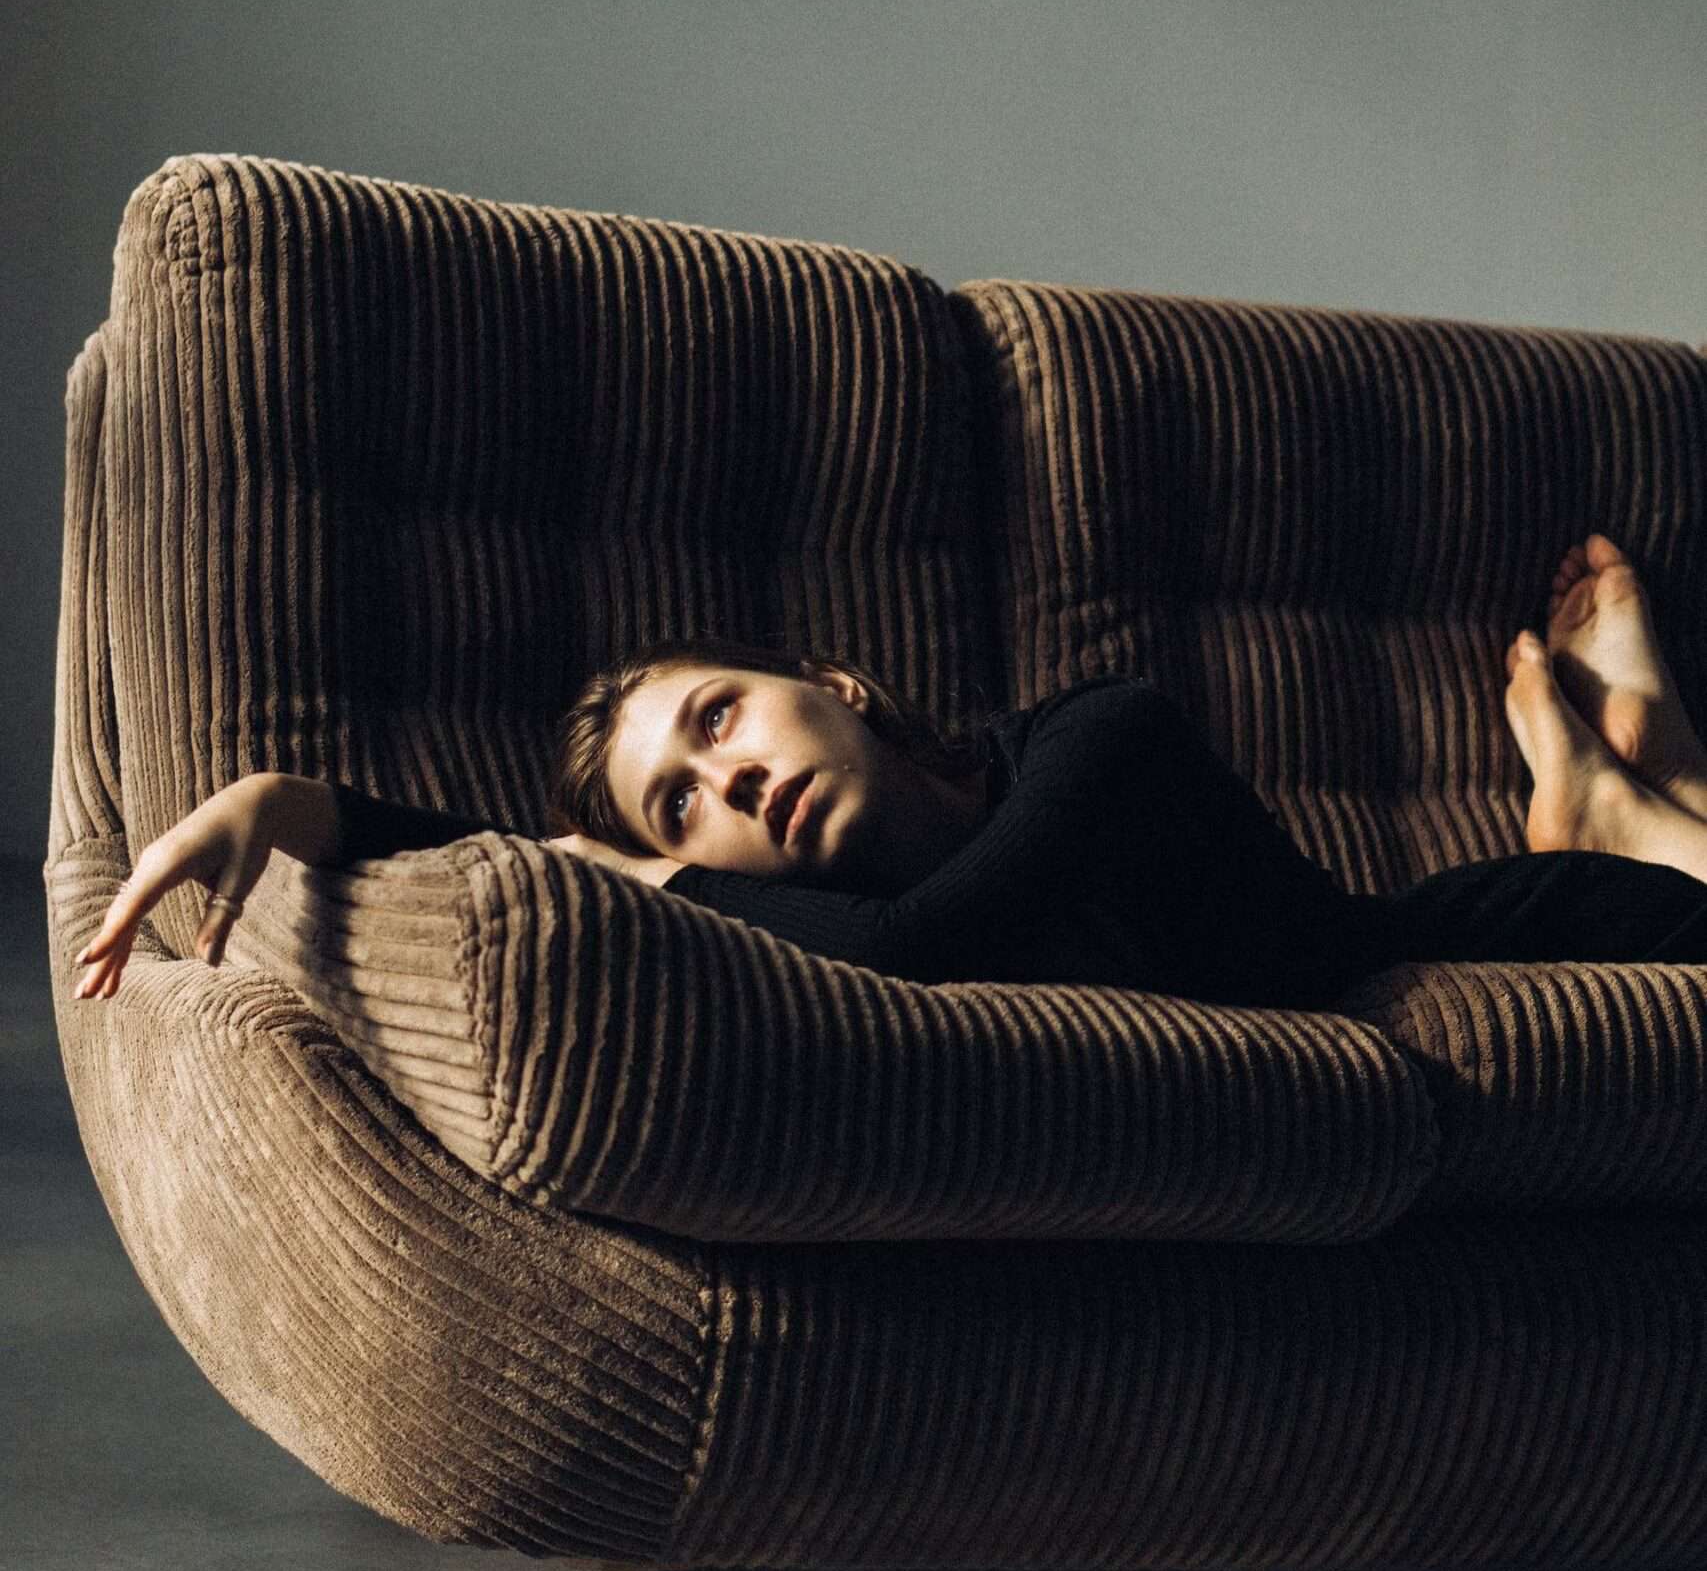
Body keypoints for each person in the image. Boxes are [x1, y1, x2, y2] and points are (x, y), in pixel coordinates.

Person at [71, 534, 1707, 1011]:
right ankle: (1625, 778)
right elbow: (545, 889)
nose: (725, 784)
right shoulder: (816, 950)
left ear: (831, 686)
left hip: (1492, 925)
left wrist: (657, 876)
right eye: (679, 805)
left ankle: (1607, 791)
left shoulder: (1101, 738)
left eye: (718, 720)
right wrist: (307, 810)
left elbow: (940, 948)